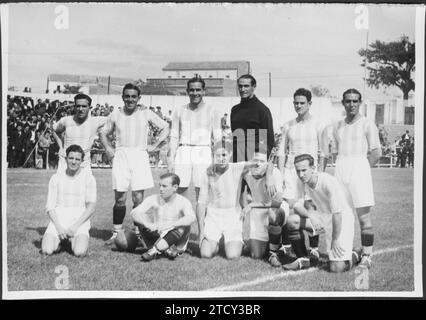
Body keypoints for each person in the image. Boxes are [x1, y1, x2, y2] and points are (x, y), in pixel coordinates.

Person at [100, 83, 170, 244]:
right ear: (122, 97)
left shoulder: (146, 113)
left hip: (140, 155)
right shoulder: (116, 114)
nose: (130, 99)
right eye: (127, 96)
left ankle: (138, 233)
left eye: (133, 96)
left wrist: (154, 145)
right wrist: (108, 148)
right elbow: (103, 133)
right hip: (121, 155)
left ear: (139, 98)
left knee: (138, 198)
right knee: (120, 198)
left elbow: (165, 127)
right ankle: (116, 232)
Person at [324, 89, 381, 268]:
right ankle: (346, 250)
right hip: (341, 169)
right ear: (343, 103)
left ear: (360, 102)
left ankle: (367, 255)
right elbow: (334, 151)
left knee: (364, 218)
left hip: (359, 169)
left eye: (355, 101)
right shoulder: (337, 126)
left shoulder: (367, 124)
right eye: (348, 101)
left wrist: (362, 169)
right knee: (343, 214)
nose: (352, 105)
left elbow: (377, 152)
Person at [282, 154, 360, 272]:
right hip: (322, 216)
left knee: (336, 268)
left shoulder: (327, 182)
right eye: (298, 171)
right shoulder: (301, 182)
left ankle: (356, 253)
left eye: (304, 170)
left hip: (342, 219)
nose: (301, 174)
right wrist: (311, 217)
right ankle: (303, 258)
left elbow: (337, 214)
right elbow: (296, 205)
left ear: (313, 168)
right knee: (292, 221)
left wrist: (335, 239)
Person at [277, 88, 327, 257]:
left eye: (302, 103)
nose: (298, 106)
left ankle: (314, 249)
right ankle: (289, 246)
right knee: (291, 208)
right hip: (291, 172)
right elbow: (281, 152)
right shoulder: (288, 125)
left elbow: (324, 153)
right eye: (296, 103)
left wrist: (319, 174)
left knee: (310, 207)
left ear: (309, 104)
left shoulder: (319, 125)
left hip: (310, 173)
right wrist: (282, 173)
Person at [197, 140, 262, 260]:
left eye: (224, 155)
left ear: (230, 155)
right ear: (213, 156)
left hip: (233, 216)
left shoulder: (237, 168)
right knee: (205, 254)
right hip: (213, 216)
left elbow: (258, 162)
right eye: (218, 155)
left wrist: (269, 177)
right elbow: (201, 203)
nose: (221, 158)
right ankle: (214, 243)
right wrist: (201, 231)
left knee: (232, 256)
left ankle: (233, 242)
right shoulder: (207, 173)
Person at [169, 76, 222, 206]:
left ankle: (202, 226)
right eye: (192, 90)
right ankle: (181, 225)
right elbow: (174, 136)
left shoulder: (212, 111)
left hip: (203, 150)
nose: (195, 93)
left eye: (198, 90)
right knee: (180, 189)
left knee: (202, 192)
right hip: (183, 150)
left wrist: (217, 158)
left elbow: (218, 137)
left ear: (204, 91)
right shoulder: (179, 110)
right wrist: (171, 158)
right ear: (187, 91)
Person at [41, 144, 97, 257]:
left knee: (79, 252)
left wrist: (75, 226)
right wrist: (58, 227)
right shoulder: (55, 178)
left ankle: (73, 240)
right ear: (66, 159)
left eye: (77, 159)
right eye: (71, 158)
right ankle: (62, 240)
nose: (74, 162)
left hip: (79, 220)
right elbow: (50, 207)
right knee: (47, 250)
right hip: (59, 220)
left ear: (82, 161)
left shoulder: (89, 178)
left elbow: (91, 207)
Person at [131, 173, 196, 261]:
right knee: (141, 216)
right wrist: (147, 224)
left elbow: (191, 218)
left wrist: (170, 225)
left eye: (164, 186)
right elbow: (134, 213)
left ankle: (154, 251)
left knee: (183, 223)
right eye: (160, 186)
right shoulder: (154, 198)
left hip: (175, 239)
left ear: (175, 187)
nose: (161, 189)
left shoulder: (183, 201)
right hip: (157, 235)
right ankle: (166, 250)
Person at [241, 152, 289, 266]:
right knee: (256, 255)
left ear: (268, 163)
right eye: (255, 160)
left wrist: (252, 205)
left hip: (275, 209)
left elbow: (277, 202)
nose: (258, 164)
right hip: (258, 212)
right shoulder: (246, 174)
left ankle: (274, 252)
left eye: (262, 161)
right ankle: (271, 241)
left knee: (274, 214)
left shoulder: (275, 174)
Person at [52, 93, 108, 173]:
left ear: (90, 108)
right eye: (78, 106)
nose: (81, 109)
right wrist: (61, 147)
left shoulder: (95, 121)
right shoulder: (66, 120)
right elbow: (54, 130)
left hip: (84, 164)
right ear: (74, 107)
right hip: (65, 162)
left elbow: (116, 119)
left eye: (84, 106)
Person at [231, 74, 274, 162]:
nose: (243, 89)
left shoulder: (262, 110)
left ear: (253, 87)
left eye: (246, 86)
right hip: (237, 159)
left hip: (254, 160)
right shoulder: (235, 110)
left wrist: (262, 163)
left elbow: (269, 139)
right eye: (240, 86)